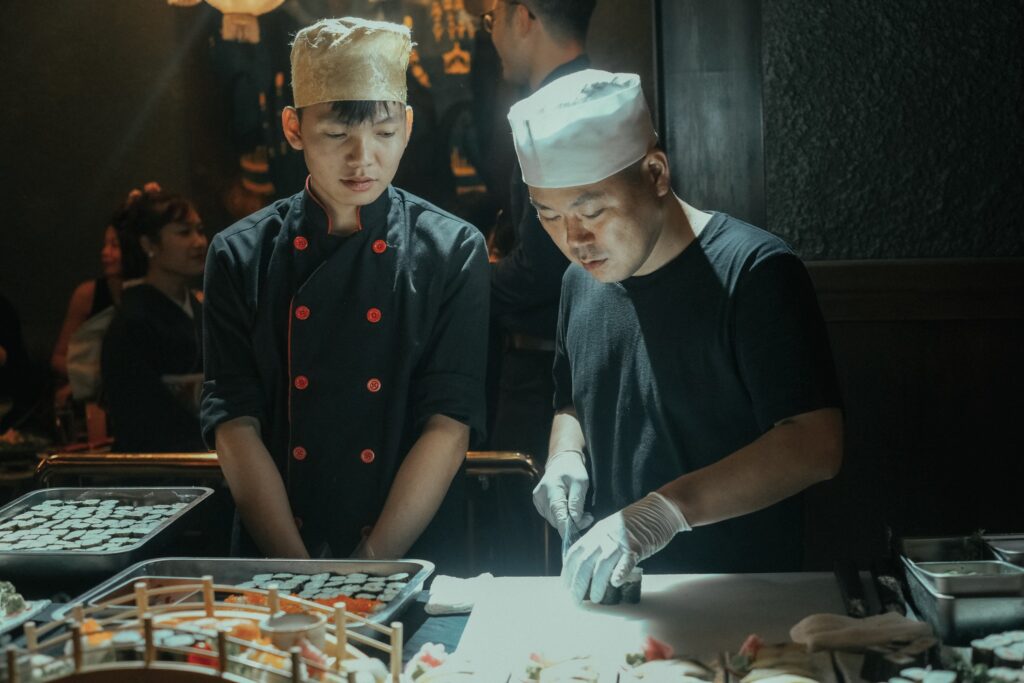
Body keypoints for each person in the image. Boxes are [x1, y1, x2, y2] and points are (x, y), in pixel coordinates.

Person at [514, 70, 845, 601]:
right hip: (619, 594)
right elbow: (572, 401)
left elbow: (815, 442)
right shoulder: (579, 282)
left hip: (742, 595)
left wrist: (665, 511)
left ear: (655, 173)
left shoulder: (755, 271)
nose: (575, 239)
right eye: (549, 217)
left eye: (592, 211)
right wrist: (564, 457)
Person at [200, 18, 489, 569]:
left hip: (408, 552)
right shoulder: (239, 254)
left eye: (384, 133)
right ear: (293, 127)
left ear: (407, 125)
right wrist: (300, 569)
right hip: (276, 555)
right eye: (336, 135)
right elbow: (234, 423)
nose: (363, 159)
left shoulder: (452, 250)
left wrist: (369, 565)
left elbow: (449, 423)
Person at [483, 0, 596, 463]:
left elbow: (544, 266)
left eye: (492, 18)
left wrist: (462, 283)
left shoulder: (557, 111)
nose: (491, 34)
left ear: (523, 16)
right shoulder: (588, 96)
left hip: (548, 371)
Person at [101, 186, 208, 452]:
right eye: (184, 232)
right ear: (149, 244)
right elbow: (143, 416)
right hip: (162, 459)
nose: (199, 242)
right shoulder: (132, 321)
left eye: (200, 230)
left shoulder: (198, 307)